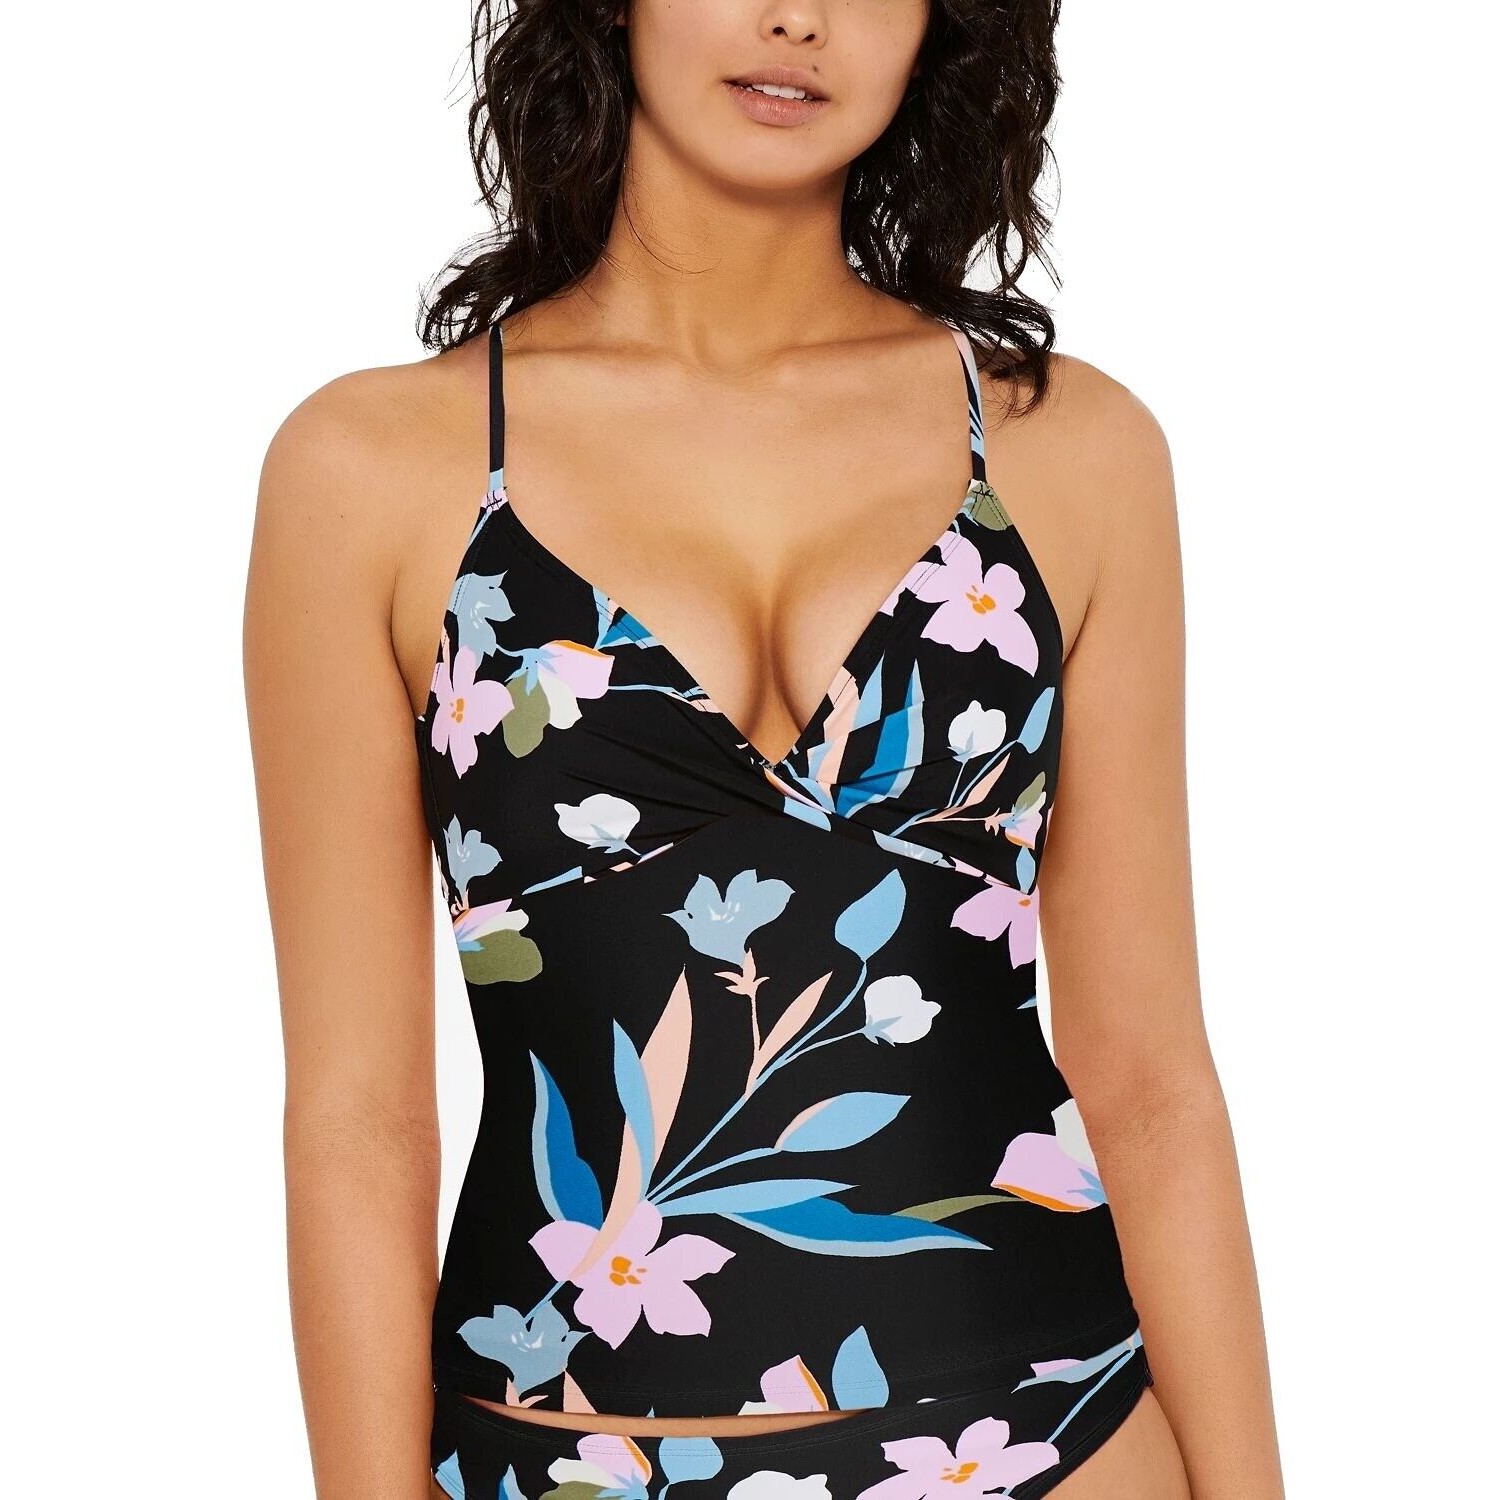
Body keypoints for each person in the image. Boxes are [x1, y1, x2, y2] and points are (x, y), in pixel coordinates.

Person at [243, 2, 1284, 1496]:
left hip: (1050, 1440)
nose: (800, 16)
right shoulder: (374, 472)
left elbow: (1150, 1078)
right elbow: (358, 1123)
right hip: (568, 1456)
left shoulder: (1069, 448)